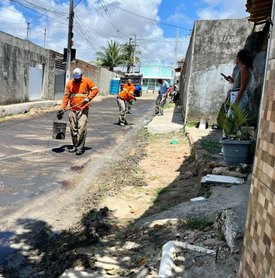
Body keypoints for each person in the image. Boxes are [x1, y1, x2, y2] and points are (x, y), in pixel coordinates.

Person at [57, 67, 99, 155]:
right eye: (75, 78)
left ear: (81, 75)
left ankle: (80, 148)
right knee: (73, 129)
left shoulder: (87, 81)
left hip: (83, 109)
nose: (76, 79)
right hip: (72, 109)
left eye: (78, 78)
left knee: (81, 128)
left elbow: (95, 90)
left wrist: (88, 98)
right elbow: (66, 97)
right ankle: (75, 146)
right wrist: (62, 108)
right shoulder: (69, 83)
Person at [222, 49, 253, 115]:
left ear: (239, 58)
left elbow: (243, 86)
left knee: (232, 119)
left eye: (237, 57)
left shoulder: (244, 69)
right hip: (237, 96)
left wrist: (236, 102)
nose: (235, 59)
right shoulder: (243, 69)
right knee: (231, 118)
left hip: (239, 97)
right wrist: (231, 79)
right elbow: (239, 84)